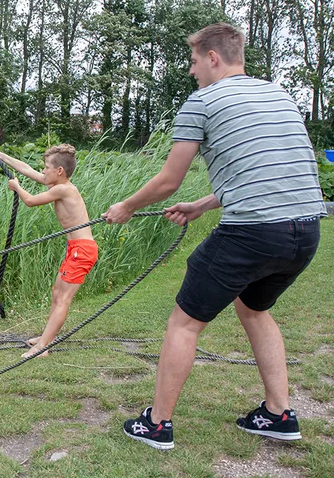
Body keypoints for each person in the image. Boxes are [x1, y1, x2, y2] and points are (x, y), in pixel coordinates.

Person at [104, 22, 326, 450]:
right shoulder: (279, 95)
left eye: (192, 62)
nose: (191, 72)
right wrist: (202, 205)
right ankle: (278, 414)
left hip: (252, 233)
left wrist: (126, 207)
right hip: (305, 232)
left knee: (184, 323)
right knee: (254, 309)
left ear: (212, 57)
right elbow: (267, 173)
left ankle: (156, 425)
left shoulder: (202, 101)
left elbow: (169, 179)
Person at [0, 144, 98, 359]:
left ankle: (42, 348)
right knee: (57, 294)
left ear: (59, 171)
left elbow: (29, 201)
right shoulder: (57, 184)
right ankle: (44, 338)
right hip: (75, 249)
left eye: (47, 167)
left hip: (82, 251)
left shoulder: (63, 189)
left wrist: (17, 187)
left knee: (63, 299)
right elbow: (28, 170)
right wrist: (3, 156)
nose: (44, 171)